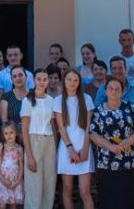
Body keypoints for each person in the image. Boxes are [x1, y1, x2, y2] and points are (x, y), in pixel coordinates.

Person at [88, 76, 134, 207]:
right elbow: (93, 134)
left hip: (130, 161)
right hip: (107, 162)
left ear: (122, 92)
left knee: (130, 198)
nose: (114, 91)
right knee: (110, 198)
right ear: (105, 91)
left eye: (117, 89)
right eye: (111, 89)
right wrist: (110, 147)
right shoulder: (98, 111)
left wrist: (129, 141)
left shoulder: (129, 107)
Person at [53, 70, 94, 209]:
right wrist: (70, 149)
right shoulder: (58, 100)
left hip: (84, 146)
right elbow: (61, 128)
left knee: (84, 191)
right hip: (66, 148)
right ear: (64, 82)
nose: (72, 83)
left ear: (79, 82)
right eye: (69, 79)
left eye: (75, 80)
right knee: (67, 189)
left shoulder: (86, 99)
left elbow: (88, 127)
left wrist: (85, 149)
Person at [20, 67, 56, 209]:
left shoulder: (51, 100)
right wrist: (29, 156)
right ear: (34, 80)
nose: (42, 82)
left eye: (45, 79)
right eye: (39, 79)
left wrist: (56, 143)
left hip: (50, 141)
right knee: (34, 183)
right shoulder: (27, 100)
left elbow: (53, 124)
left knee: (49, 182)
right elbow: (24, 128)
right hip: (33, 141)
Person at [0, 122, 24, 208]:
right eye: (6, 133)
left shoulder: (19, 148)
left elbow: (21, 167)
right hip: (2, 180)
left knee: (13, 203)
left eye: (11, 133)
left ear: (16, 133)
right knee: (2, 204)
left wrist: (17, 181)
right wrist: (3, 180)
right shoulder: (1, 147)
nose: (9, 136)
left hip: (14, 179)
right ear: (3, 135)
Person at [0, 66, 30, 134]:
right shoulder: (6, 97)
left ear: (26, 76)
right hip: (13, 137)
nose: (18, 78)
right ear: (11, 79)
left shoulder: (33, 95)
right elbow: (5, 123)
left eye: (20, 75)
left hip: (32, 135)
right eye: (14, 76)